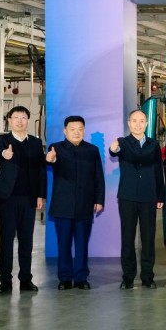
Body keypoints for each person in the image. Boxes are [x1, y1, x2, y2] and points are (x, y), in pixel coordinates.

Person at [0, 106, 47, 294]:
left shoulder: (36, 143)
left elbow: (41, 170)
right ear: (9, 120)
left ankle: (26, 280)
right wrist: (4, 154)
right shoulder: (2, 140)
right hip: (7, 199)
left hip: (29, 198)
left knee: (26, 240)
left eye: (23, 117)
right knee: (6, 240)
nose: (20, 121)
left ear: (28, 120)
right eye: (16, 117)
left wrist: (40, 195)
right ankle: (5, 281)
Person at [46, 115, 105, 290]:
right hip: (63, 205)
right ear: (65, 131)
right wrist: (50, 159)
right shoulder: (56, 148)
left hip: (84, 204)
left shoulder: (92, 150)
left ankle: (81, 278)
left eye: (80, 129)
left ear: (84, 131)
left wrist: (99, 199)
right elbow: (52, 160)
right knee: (63, 244)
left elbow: (98, 177)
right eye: (72, 129)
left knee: (82, 244)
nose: (76, 132)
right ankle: (65, 278)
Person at [109, 109, 165, 289]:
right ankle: (128, 277)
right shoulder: (123, 142)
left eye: (142, 121)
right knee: (128, 238)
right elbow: (115, 152)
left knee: (148, 238)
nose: (138, 124)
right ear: (129, 123)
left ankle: (148, 277)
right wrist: (113, 149)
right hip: (127, 196)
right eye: (134, 120)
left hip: (148, 196)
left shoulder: (153, 144)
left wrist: (160, 195)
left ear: (146, 124)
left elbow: (158, 170)